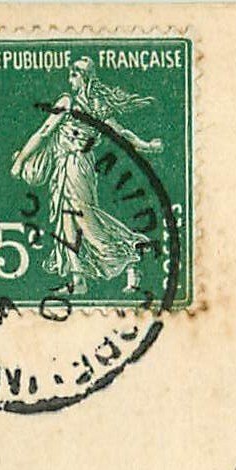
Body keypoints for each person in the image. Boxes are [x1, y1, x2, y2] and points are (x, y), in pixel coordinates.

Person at [10, 56, 163, 293]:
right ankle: (78, 278)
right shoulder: (78, 103)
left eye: (75, 73)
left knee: (84, 218)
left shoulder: (85, 105)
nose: (70, 78)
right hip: (63, 165)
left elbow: (119, 133)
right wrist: (147, 146)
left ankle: (131, 252)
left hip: (79, 166)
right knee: (66, 219)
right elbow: (45, 131)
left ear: (85, 78)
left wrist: (146, 146)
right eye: (70, 73)